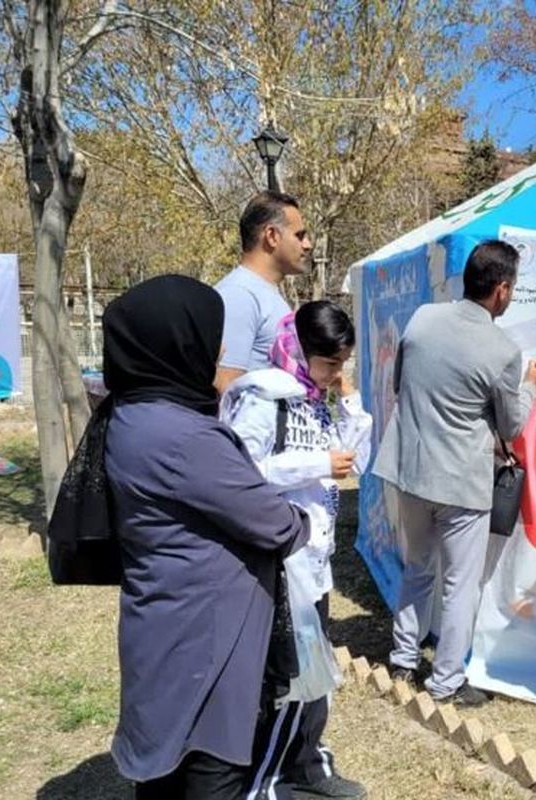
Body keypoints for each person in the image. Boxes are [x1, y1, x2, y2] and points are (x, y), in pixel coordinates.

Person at [99, 275, 311, 798]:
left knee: (163, 763)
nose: (219, 348)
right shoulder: (183, 435)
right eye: (211, 333)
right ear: (178, 340)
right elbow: (275, 523)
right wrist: (301, 519)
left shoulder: (131, 413)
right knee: (208, 766)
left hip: (166, 621)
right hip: (205, 639)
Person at [373, 240, 536, 706]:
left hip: (410, 468)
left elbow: (400, 385)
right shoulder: (503, 350)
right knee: (460, 585)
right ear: (503, 289)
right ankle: (446, 681)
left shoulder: (423, 319)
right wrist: (529, 386)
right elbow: (512, 425)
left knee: (417, 568)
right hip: (461, 483)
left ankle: (403, 658)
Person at [220, 300, 371, 800]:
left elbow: (352, 462)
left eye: (340, 366)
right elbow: (240, 474)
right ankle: (264, 779)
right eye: (328, 364)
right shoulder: (263, 397)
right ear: (296, 349)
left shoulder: (310, 397)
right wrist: (316, 465)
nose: (333, 376)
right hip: (280, 565)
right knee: (285, 679)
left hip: (314, 563)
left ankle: (307, 765)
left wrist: (348, 405)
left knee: (314, 673)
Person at [214, 191, 313, 393]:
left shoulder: (265, 293)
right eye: (299, 235)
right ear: (272, 236)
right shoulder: (239, 295)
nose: (307, 245)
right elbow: (226, 388)